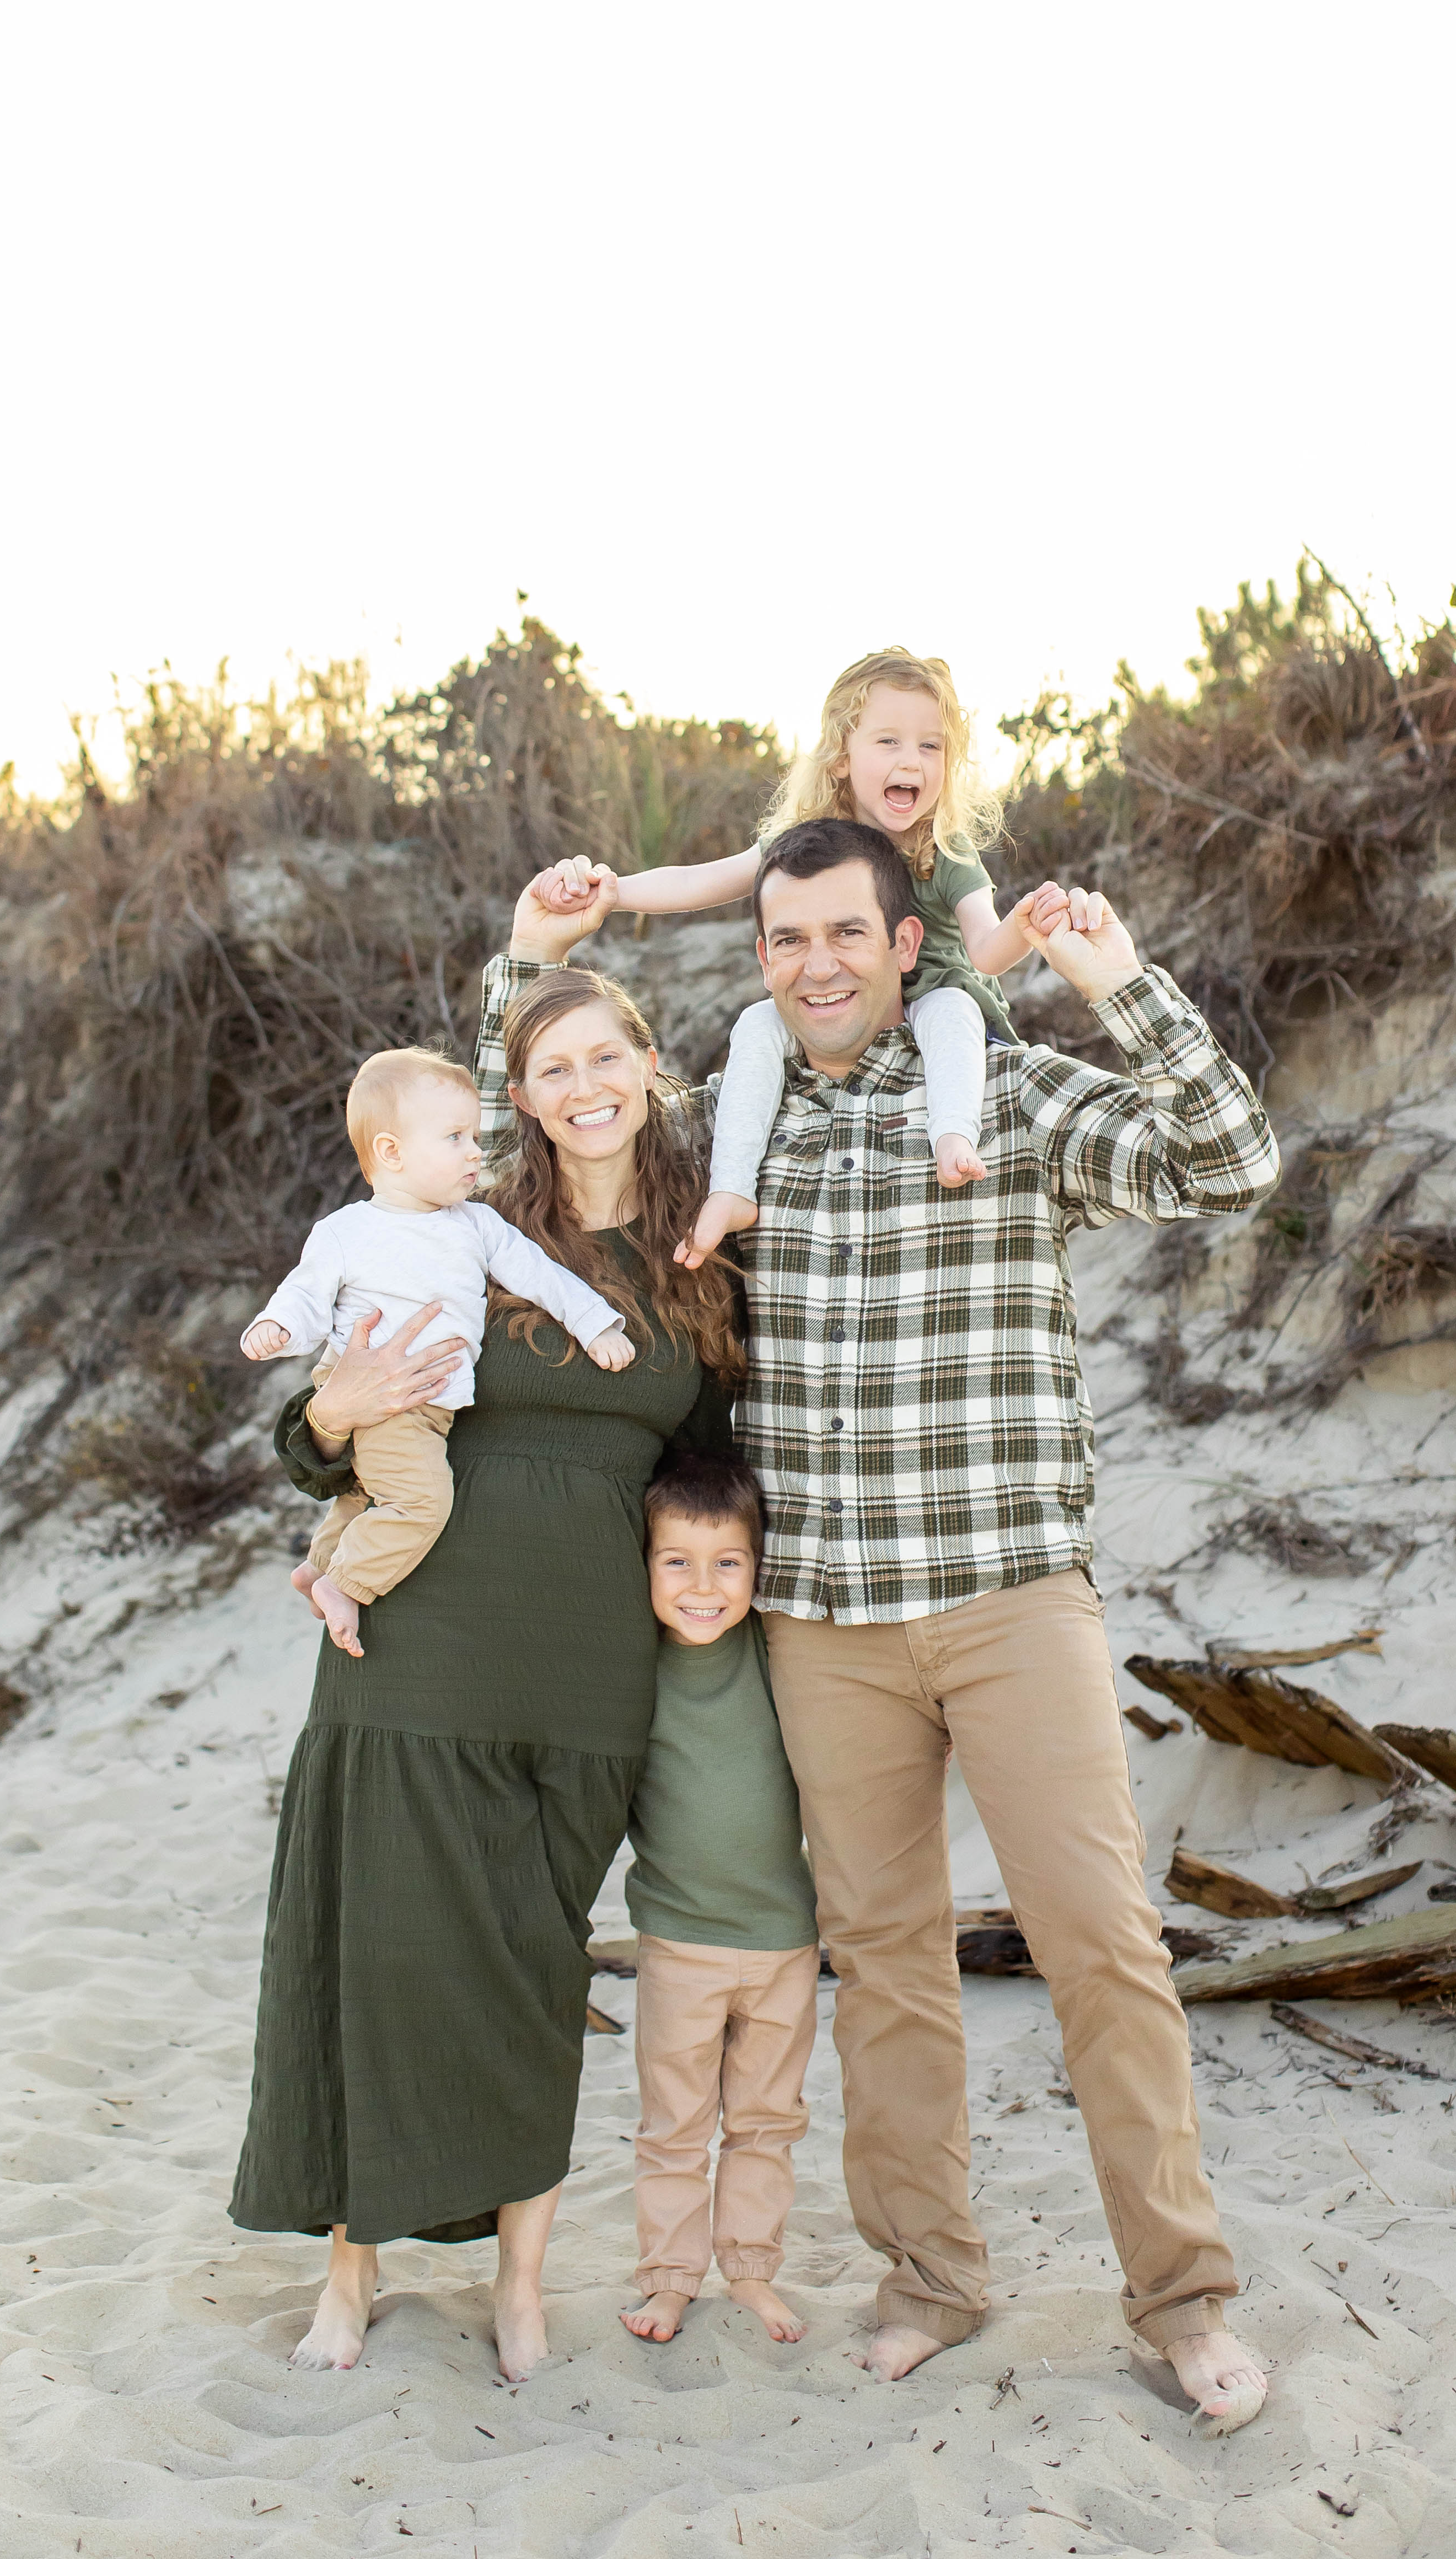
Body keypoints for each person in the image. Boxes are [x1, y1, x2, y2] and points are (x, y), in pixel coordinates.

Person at [477, 820, 1281, 2432]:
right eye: (786, 942)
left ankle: (1182, 2299)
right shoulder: (727, 1140)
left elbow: (1229, 1164)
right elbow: (547, 1104)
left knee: (1102, 1951)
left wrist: (1118, 988)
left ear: (904, 945)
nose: (819, 965)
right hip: (823, 1619)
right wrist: (527, 952)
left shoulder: (1011, 1097)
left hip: (1006, 1597)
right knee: (891, 1966)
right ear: (762, 959)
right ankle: (929, 2274)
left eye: (847, 934)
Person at [229, 971, 742, 2385]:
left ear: (647, 1063)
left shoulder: (702, 1256)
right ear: (517, 1097)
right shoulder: (459, 1220)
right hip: (416, 1653)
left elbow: (712, 1467)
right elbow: (319, 1424)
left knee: (531, 1966)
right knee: (379, 1951)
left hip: (589, 1667)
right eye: (551, 1066)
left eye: (606, 1055)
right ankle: (352, 2268)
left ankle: (521, 2282)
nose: (585, 1086)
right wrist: (327, 1416)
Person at [532, 647, 1073, 1257]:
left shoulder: (943, 850)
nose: (911, 762)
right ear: (842, 759)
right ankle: (733, 1187)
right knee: (757, 1024)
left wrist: (1027, 926)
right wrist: (617, 891)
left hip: (937, 999)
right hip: (840, 1013)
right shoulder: (805, 844)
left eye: (931, 746)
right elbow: (701, 881)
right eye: (889, 742)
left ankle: (953, 1136)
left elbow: (986, 953)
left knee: (951, 1009)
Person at [239, 1045, 635, 1656]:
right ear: (391, 1153)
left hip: (428, 1405)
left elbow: (541, 1275)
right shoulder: (349, 1231)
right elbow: (305, 1294)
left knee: (368, 1496)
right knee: (422, 1503)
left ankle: (319, 1568)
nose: (476, 1151)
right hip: (387, 1399)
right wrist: (278, 1327)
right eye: (454, 1137)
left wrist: (594, 1325)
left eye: (474, 1135)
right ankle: (348, 1585)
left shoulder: (475, 1225)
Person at [617, 1451, 819, 2351]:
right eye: (677, 1561)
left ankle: (749, 2270)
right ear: (643, 1564)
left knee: (767, 2121)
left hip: (783, 1938)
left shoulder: (780, 1652)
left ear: (757, 1564)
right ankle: (667, 2278)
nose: (703, 1585)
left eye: (726, 1562)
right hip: (678, 1942)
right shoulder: (626, 1668)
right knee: (674, 2125)